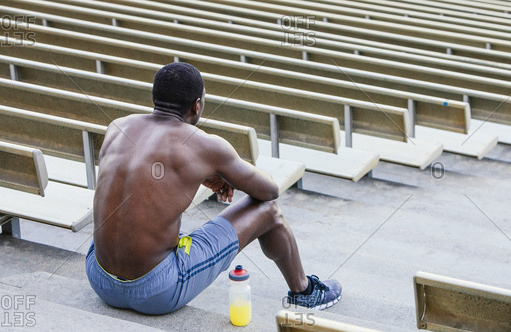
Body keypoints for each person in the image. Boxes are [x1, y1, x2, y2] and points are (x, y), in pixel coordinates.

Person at [85, 62, 341, 315]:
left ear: (155, 97)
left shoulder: (118, 126)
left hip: (98, 278)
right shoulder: (204, 145)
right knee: (269, 211)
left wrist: (199, 173)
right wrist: (216, 168)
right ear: (197, 105)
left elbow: (138, 179)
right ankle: (304, 292)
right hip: (155, 291)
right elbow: (268, 190)